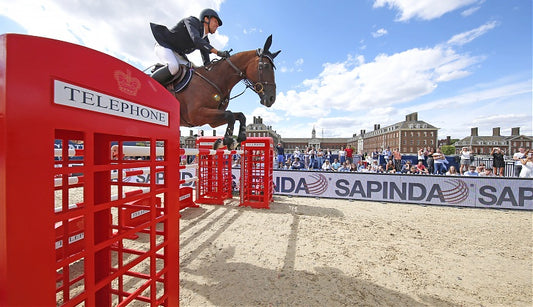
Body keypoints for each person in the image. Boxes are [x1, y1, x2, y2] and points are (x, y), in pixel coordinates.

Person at [150, 8, 231, 85]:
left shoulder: (205, 39)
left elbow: (207, 63)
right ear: (206, 19)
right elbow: (196, 40)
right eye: (215, 21)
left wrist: (220, 67)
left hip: (177, 54)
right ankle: (148, 82)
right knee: (174, 67)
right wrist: (218, 52)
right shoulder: (192, 21)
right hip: (164, 45)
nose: (217, 25)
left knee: (192, 73)